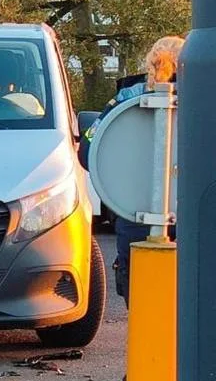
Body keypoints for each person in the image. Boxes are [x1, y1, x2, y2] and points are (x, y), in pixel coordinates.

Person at [79, 35, 184, 306]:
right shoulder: (203, 100)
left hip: (133, 214)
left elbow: (89, 151)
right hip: (189, 215)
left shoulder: (126, 98)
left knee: (143, 304)